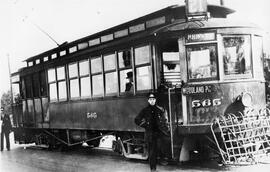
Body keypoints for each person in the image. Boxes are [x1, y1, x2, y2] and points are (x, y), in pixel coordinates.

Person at [135, 93, 169, 172]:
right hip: (150, 135)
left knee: (160, 148)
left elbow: (164, 120)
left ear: (155, 100)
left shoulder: (159, 110)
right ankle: (153, 169)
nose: (152, 101)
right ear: (148, 100)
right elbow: (136, 120)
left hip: (159, 134)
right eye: (150, 100)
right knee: (152, 152)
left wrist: (165, 128)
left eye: (153, 99)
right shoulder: (145, 110)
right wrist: (145, 125)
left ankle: (162, 160)